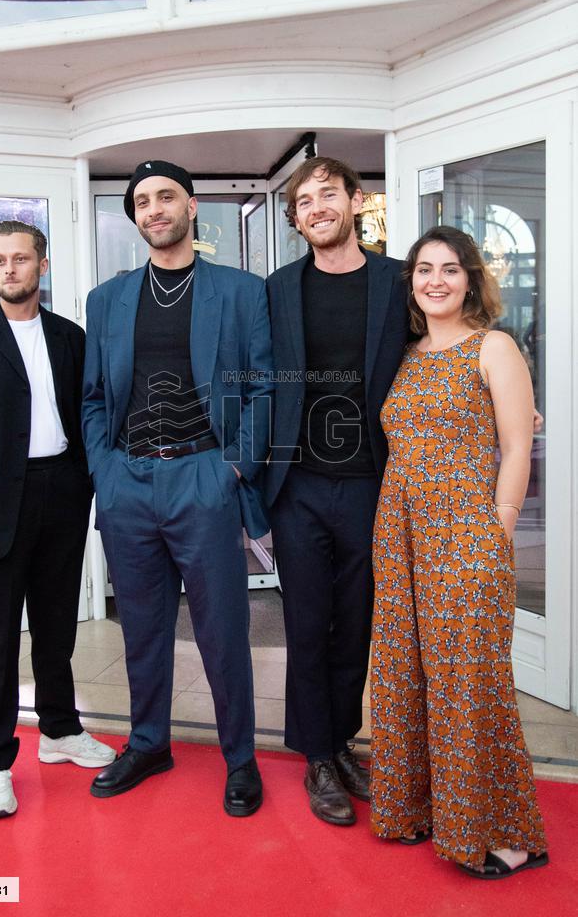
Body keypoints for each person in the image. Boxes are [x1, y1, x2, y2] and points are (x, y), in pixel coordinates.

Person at [83, 160, 272, 815]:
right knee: (141, 626)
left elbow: (263, 390)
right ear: (135, 216)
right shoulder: (106, 300)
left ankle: (241, 759)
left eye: (166, 197)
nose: (154, 209)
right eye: (142, 201)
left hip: (203, 476)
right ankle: (148, 741)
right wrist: (105, 472)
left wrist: (233, 469)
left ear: (192, 207)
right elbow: (94, 398)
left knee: (222, 629)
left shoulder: (242, 293)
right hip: (129, 481)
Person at [369, 225, 547, 879]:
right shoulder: (408, 354)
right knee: (405, 677)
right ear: (411, 283)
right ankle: (420, 808)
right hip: (401, 538)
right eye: (424, 270)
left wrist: (498, 526)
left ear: (471, 277)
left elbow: (518, 445)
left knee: (469, 683)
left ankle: (505, 832)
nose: (436, 280)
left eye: (449, 268)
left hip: (465, 536)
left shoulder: (493, 347)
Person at [0, 220, 115, 820]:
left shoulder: (70, 337)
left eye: (19, 259)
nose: (8, 269)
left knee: (57, 628)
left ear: (41, 264)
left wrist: (91, 485)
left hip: (62, 494)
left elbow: (89, 415)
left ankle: (61, 731)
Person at [265, 157, 410, 825]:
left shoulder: (398, 281)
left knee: (355, 626)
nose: (316, 206)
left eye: (328, 194)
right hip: (298, 482)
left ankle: (343, 742)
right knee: (306, 625)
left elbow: (444, 345)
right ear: (295, 218)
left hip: (371, 483)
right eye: (304, 200)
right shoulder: (276, 289)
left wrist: (504, 395)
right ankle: (317, 755)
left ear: (356, 201)